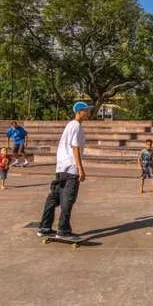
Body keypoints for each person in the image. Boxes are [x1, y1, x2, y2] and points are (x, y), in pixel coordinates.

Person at [37, 101, 91, 239]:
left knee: (54, 198)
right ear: (79, 112)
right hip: (71, 168)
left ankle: (44, 227)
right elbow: (75, 147)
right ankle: (63, 230)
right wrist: (80, 168)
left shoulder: (69, 125)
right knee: (68, 198)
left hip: (61, 167)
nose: (88, 112)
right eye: (86, 110)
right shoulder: (76, 126)